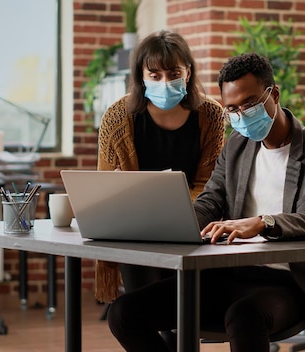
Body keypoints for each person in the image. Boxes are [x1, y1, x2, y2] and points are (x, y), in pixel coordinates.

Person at [107, 52, 305, 351]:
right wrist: (173, 223)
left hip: (289, 283)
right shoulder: (237, 145)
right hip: (227, 272)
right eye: (232, 109)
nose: (241, 116)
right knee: (124, 313)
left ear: (273, 94)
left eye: (249, 104)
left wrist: (264, 223)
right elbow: (211, 200)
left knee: (244, 316)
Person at [95, 30, 225, 302]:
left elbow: (210, 183)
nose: (165, 82)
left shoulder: (210, 114)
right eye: (155, 76)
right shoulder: (118, 117)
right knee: (143, 308)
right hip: (135, 230)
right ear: (141, 77)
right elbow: (102, 188)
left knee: (181, 312)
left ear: (188, 73)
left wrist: (179, 212)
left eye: (174, 74)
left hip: (191, 225)